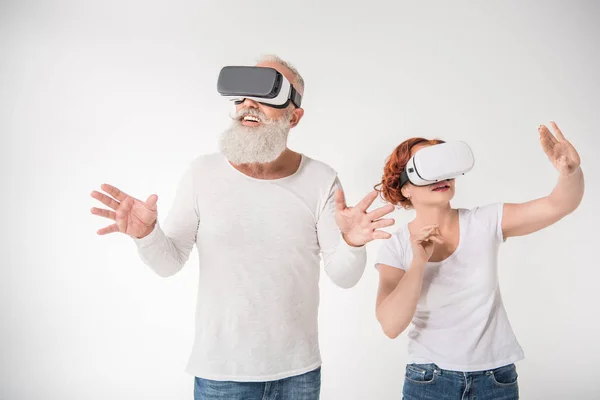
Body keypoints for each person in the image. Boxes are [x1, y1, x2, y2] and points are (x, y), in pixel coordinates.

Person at [90, 55, 395, 400]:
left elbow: (344, 275)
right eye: (243, 95)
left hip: (298, 373)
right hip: (222, 374)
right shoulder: (202, 174)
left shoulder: (321, 179)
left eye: (266, 94)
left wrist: (353, 242)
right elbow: (168, 263)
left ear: (294, 116)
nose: (249, 104)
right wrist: (146, 235)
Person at [373, 122, 584, 400]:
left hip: (495, 380)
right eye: (427, 168)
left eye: (443, 166)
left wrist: (570, 173)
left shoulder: (485, 221)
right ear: (405, 188)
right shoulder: (396, 245)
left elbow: (560, 205)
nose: (440, 176)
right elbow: (390, 325)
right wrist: (418, 262)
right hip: (428, 381)